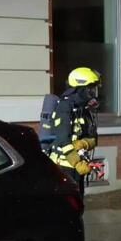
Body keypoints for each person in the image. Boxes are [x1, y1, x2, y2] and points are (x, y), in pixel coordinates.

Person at [44, 67, 101, 197]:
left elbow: (93, 137)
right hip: (63, 168)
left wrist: (84, 143)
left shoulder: (83, 109)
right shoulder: (64, 107)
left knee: (78, 200)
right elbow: (63, 140)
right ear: (80, 88)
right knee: (67, 203)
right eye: (90, 88)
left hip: (76, 169)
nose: (93, 92)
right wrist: (78, 163)